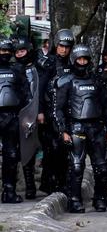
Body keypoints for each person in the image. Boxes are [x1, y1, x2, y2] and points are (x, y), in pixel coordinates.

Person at [53, 44, 107, 213]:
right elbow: (58, 108)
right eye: (79, 59)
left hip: (97, 128)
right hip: (76, 127)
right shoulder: (66, 81)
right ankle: (74, 200)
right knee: (76, 166)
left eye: (85, 59)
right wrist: (63, 130)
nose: (82, 62)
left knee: (102, 167)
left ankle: (100, 199)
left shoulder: (98, 81)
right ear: (74, 60)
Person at [38, 29, 75, 194]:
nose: (64, 49)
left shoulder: (74, 63)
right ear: (56, 45)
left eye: (67, 46)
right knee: (51, 149)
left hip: (68, 112)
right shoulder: (50, 63)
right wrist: (40, 112)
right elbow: (40, 88)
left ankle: (63, 182)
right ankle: (49, 184)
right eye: (61, 46)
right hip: (49, 111)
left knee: (66, 149)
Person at [0, 37, 31, 203]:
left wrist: (26, 117)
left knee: (11, 155)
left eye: (7, 51)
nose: (4, 54)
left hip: (12, 117)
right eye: (2, 50)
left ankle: (9, 191)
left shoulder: (18, 70)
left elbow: (27, 95)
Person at [14, 37, 39, 200]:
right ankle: (24, 186)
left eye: (22, 51)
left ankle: (35, 185)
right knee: (18, 152)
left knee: (33, 150)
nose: (19, 54)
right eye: (17, 52)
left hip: (35, 112)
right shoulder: (13, 69)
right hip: (15, 114)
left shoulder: (37, 69)